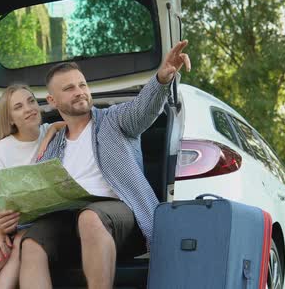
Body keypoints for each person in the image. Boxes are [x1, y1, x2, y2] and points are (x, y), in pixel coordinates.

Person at [18, 40, 192, 289]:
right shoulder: (52, 143)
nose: (79, 91)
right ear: (53, 101)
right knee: (31, 242)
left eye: (82, 85)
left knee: (90, 217)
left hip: (122, 216)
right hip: (69, 220)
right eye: (69, 88)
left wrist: (162, 79)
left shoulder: (114, 120)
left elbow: (143, 109)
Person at [0, 84, 65, 289]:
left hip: (27, 224)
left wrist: (52, 129)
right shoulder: (2, 148)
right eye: (18, 107)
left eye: (31, 101)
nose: (28, 108)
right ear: (10, 119)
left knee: (17, 253)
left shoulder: (50, 134)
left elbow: (74, 123)